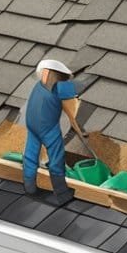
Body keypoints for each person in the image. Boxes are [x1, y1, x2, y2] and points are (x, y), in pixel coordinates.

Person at [23, 58, 84, 206]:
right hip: (47, 128)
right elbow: (78, 89)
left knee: (31, 154)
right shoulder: (58, 89)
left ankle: (29, 187)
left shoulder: (38, 87)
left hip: (32, 124)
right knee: (56, 157)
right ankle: (62, 194)